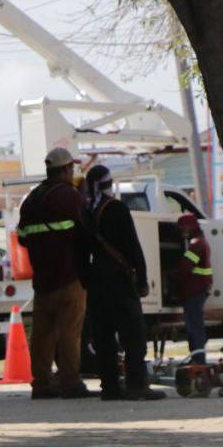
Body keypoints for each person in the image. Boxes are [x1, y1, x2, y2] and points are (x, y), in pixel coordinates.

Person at [15, 146, 93, 399]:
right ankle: (71, 383)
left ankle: (42, 383)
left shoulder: (32, 200)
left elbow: (24, 239)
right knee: (70, 333)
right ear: (67, 169)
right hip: (70, 278)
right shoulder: (70, 197)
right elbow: (87, 231)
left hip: (42, 281)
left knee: (43, 335)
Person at [82, 165, 165, 401]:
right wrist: (141, 278)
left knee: (104, 337)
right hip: (119, 280)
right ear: (109, 185)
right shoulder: (117, 209)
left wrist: (87, 280)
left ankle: (109, 387)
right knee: (133, 335)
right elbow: (132, 246)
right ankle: (136, 385)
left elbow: (79, 253)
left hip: (97, 282)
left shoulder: (85, 213)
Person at [172, 213, 213, 363]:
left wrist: (172, 277)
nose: (182, 232)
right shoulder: (200, 242)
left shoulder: (196, 245)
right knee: (196, 326)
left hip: (194, 291)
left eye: (183, 228)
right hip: (197, 290)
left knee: (194, 327)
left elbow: (185, 268)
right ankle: (197, 357)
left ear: (190, 228)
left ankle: (198, 359)